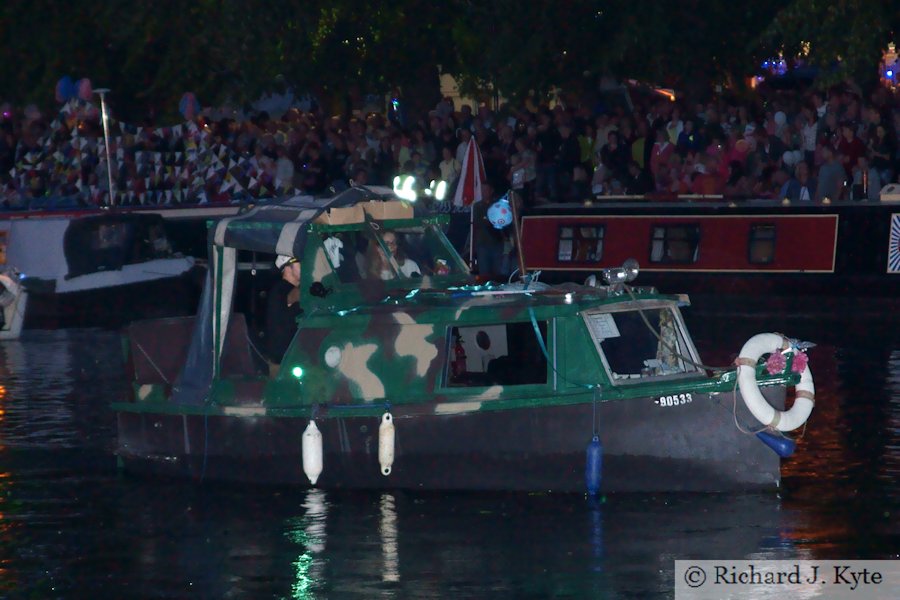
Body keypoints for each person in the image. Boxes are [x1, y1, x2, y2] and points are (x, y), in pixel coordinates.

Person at [265, 254, 302, 371]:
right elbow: (293, 296)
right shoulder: (281, 290)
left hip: (295, 360)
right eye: (299, 262)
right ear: (288, 267)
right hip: (283, 366)